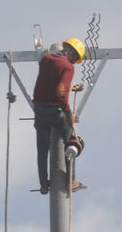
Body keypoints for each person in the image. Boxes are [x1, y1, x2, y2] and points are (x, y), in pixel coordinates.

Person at [32, 38, 86, 195]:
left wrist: (71, 87)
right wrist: (68, 113)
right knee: (72, 142)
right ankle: (71, 181)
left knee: (42, 150)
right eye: (75, 59)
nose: (74, 62)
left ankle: (43, 184)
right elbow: (60, 91)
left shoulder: (46, 59)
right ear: (72, 54)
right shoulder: (68, 67)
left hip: (39, 111)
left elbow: (49, 82)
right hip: (56, 113)